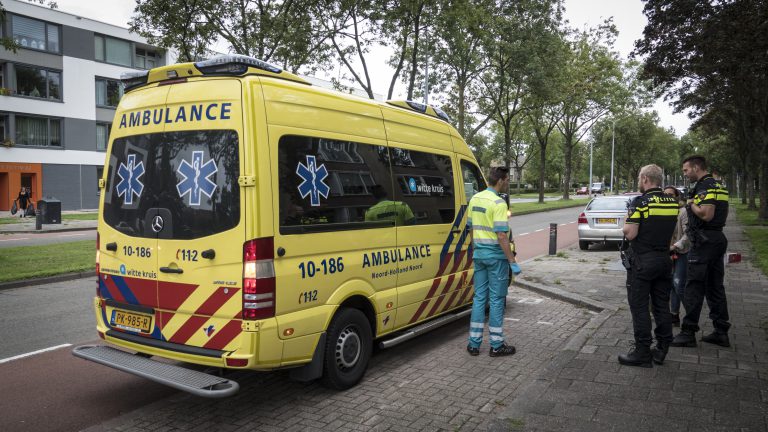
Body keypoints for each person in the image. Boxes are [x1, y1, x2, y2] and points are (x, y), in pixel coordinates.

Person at [618, 164, 678, 367]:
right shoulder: (671, 202)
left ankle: (642, 351)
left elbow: (630, 232)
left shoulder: (640, 202)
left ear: (644, 178)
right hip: (664, 260)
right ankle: (661, 348)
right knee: (661, 305)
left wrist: (628, 215)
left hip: (643, 261)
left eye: (638, 177)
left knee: (640, 306)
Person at [671, 155, 731, 348]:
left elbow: (706, 214)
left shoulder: (705, 186)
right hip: (716, 238)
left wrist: (690, 204)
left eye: (686, 170)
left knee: (694, 286)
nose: (685, 174)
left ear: (696, 168)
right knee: (715, 286)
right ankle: (721, 332)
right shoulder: (718, 185)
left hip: (704, 240)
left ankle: (688, 333)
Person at [466, 166, 519, 357]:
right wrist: (512, 261)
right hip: (496, 259)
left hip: (479, 256)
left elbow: (470, 228)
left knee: (479, 298)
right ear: (501, 180)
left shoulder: (475, 199)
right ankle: (496, 345)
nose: (507, 185)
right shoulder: (499, 203)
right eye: (507, 181)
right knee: (496, 300)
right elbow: (502, 236)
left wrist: (476, 249)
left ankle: (473, 344)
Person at [663, 186, 690, 327]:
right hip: (666, 253)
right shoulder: (661, 211)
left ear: (677, 196)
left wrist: (675, 246)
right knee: (671, 285)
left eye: (671, 195)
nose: (668, 197)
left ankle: (692, 317)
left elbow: (688, 233)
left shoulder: (683, 211)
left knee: (679, 285)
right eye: (665, 194)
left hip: (681, 252)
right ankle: (674, 315)